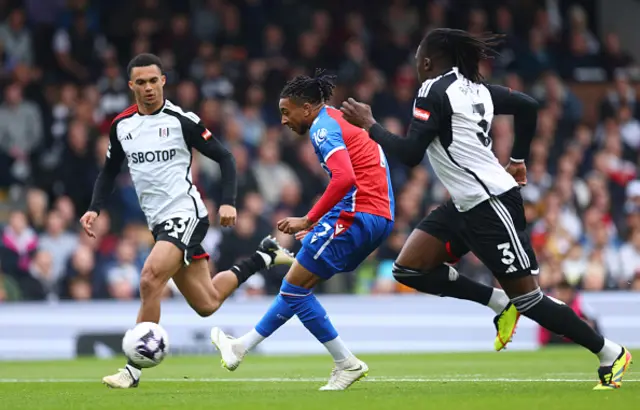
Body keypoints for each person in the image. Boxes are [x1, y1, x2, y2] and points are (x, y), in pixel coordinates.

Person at [340, 28, 631, 390]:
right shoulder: (476, 89)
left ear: (427, 62)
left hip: (491, 204)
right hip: (466, 202)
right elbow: (527, 105)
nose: (416, 66)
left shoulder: (432, 90)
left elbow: (411, 155)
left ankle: (610, 351)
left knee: (530, 300)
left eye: (417, 60)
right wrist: (518, 159)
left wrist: (370, 125)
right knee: (409, 269)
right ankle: (497, 303)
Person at [80, 53, 294, 389]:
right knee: (207, 303)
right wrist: (95, 207)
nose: (149, 88)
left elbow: (226, 158)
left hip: (186, 214)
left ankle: (132, 369)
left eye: (154, 80)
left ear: (163, 81)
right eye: (141, 82)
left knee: (150, 278)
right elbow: (109, 172)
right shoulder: (122, 126)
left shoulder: (182, 120)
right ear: (131, 86)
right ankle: (263, 256)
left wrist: (228, 202)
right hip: (159, 224)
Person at [211, 71, 395, 391]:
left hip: (357, 213)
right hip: (376, 214)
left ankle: (346, 362)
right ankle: (240, 347)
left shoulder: (323, 128)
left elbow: (344, 179)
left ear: (307, 108)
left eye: (286, 112)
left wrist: (308, 219)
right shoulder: (337, 119)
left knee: (295, 288)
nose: (283, 120)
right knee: (295, 285)